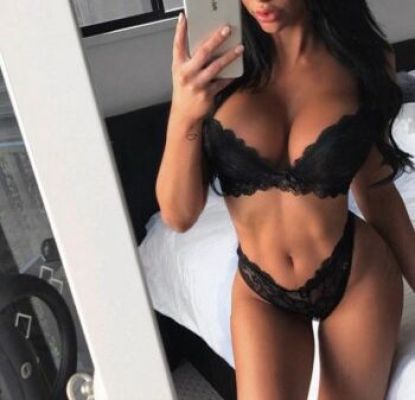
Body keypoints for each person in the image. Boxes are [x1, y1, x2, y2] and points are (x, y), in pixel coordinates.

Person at [156, 1, 415, 398]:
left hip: (356, 276)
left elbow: (377, 191)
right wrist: (184, 114)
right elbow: (179, 215)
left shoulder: (363, 60)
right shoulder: (215, 68)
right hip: (262, 289)